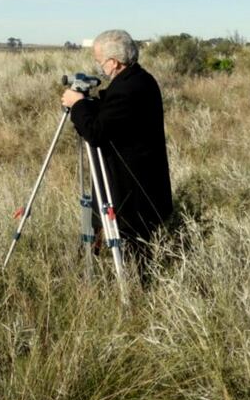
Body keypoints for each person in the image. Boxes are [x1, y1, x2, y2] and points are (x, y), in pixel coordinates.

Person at [61, 29, 172, 277]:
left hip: (130, 188)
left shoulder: (128, 88)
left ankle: (132, 285)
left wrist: (78, 104)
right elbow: (116, 116)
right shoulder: (139, 79)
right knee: (138, 243)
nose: (100, 67)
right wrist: (88, 104)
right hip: (138, 180)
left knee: (136, 248)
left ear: (113, 62)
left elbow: (96, 132)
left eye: (100, 61)